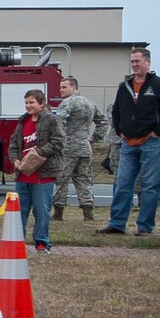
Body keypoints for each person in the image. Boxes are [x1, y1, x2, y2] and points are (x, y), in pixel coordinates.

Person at [104, 48, 160, 235]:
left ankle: (145, 226)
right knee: (123, 183)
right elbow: (116, 110)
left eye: (138, 61)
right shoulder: (125, 86)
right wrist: (120, 130)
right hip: (128, 143)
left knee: (150, 184)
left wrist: (157, 132)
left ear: (148, 62)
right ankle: (117, 223)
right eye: (132, 61)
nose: (135, 64)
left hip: (152, 143)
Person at [7, 90, 64, 250]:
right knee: (20, 212)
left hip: (43, 176)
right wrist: (15, 160)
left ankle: (41, 242)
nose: (28, 106)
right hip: (23, 176)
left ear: (41, 103)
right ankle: (17, 243)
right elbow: (13, 145)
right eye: (26, 103)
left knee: (41, 210)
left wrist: (39, 152)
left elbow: (59, 142)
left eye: (31, 102)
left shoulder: (52, 120)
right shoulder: (22, 122)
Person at [53, 76, 107, 221]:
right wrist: (94, 138)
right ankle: (88, 213)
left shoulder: (68, 103)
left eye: (64, 87)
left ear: (74, 87)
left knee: (61, 179)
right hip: (84, 146)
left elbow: (59, 121)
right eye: (60, 87)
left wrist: (59, 139)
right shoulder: (90, 104)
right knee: (83, 180)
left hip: (69, 147)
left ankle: (58, 212)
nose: (61, 90)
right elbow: (103, 122)